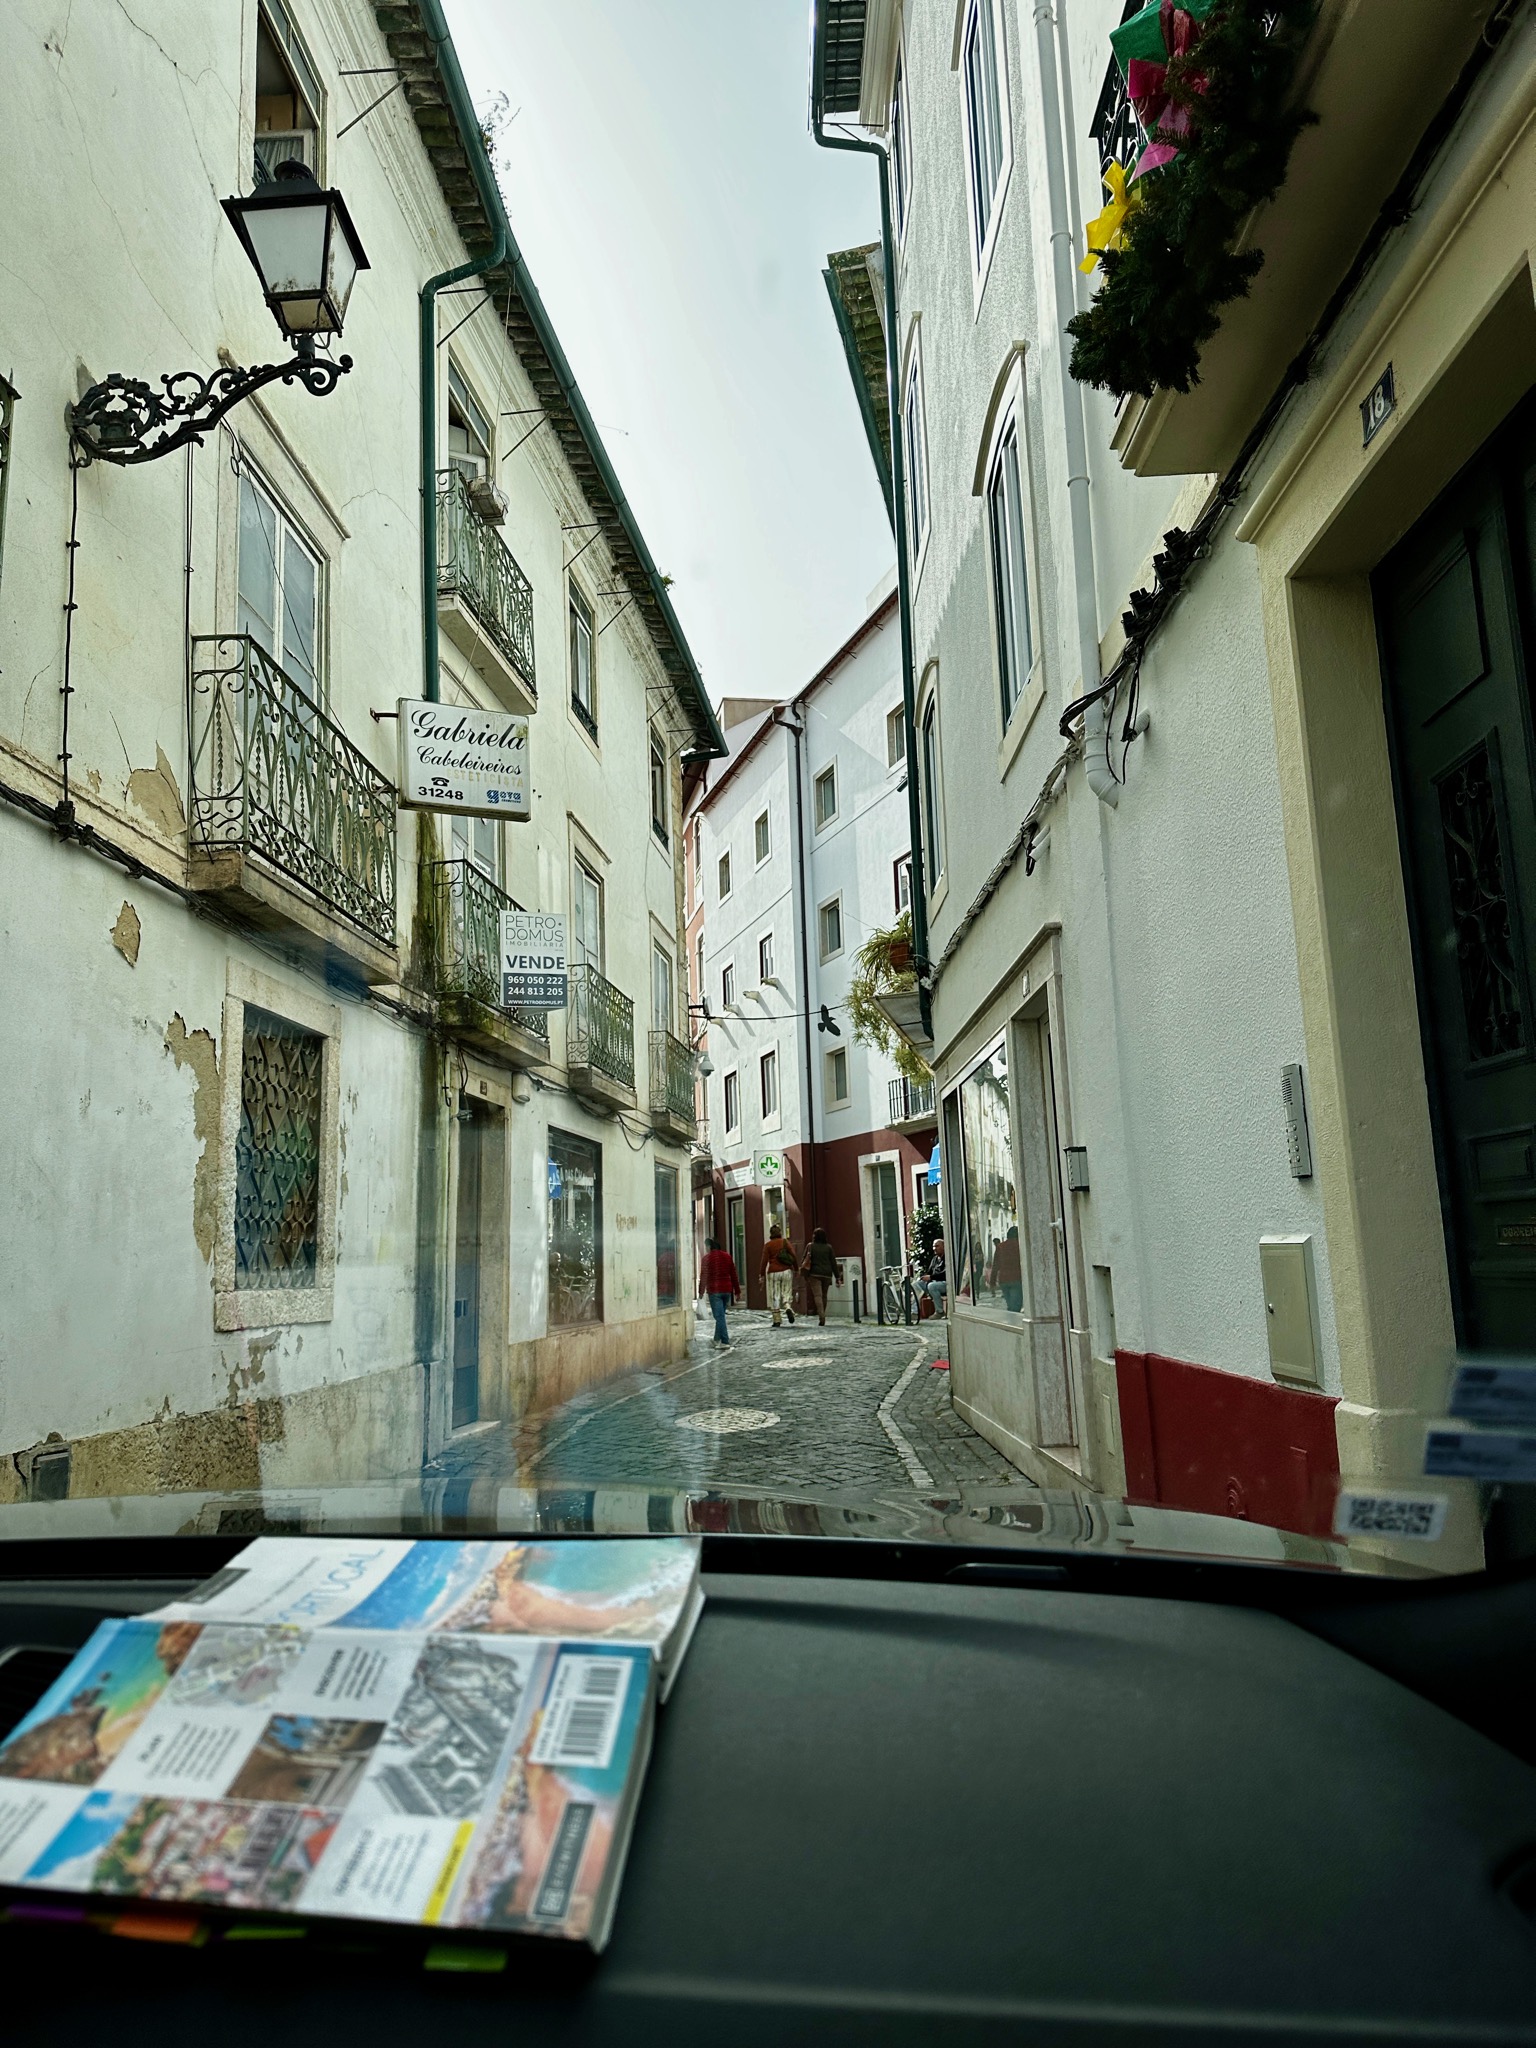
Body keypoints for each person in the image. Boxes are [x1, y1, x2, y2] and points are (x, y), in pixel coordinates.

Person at [698, 1236, 739, 1346]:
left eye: (706, 1247)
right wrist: (737, 1291)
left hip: (715, 1291)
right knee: (720, 1316)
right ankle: (716, 1338)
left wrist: (701, 1291)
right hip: (727, 1290)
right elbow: (733, 1274)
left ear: (709, 1247)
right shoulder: (727, 1256)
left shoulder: (706, 1259)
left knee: (719, 1317)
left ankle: (725, 1341)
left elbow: (704, 1276)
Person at [800, 1227, 842, 1326]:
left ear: (814, 1236)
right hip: (827, 1274)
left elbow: (803, 1260)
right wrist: (838, 1277)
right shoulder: (829, 1247)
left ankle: (821, 1316)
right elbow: (833, 1263)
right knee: (824, 1295)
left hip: (814, 1274)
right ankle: (823, 1314)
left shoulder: (810, 1246)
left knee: (817, 1296)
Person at [759, 1222, 799, 1328]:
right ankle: (788, 1307)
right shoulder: (785, 1242)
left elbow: (764, 1261)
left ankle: (777, 1320)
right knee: (786, 1292)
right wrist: (796, 1269)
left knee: (775, 1296)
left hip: (773, 1272)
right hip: (786, 1271)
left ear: (771, 1234)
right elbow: (793, 1255)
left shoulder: (768, 1245)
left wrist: (761, 1274)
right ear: (780, 1233)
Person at [992, 1223, 1023, 1313]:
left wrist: (992, 1281)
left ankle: (1011, 1322)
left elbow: (995, 1265)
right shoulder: (1020, 1245)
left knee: (1010, 1306)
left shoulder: (1000, 1247)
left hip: (1004, 1280)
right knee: (1015, 1307)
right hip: (1016, 1279)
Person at [924, 1236, 948, 1315]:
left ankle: (939, 1311)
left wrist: (931, 1277)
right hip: (934, 1281)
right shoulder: (934, 1259)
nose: (934, 1248)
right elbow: (929, 1272)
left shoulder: (947, 1258)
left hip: (945, 1283)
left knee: (932, 1286)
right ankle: (914, 1312)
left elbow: (945, 1274)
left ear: (944, 1247)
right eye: (933, 1246)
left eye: (937, 1246)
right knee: (916, 1285)